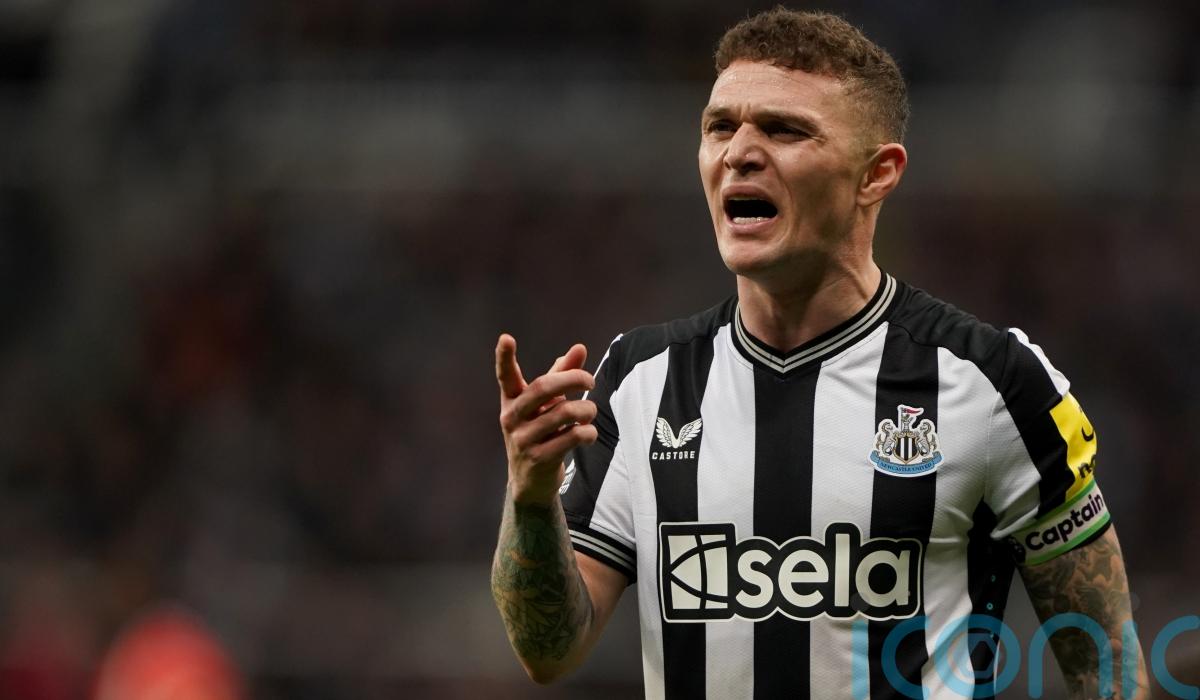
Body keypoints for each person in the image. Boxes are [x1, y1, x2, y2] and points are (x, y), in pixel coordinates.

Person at [491, 8, 1148, 699]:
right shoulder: (638, 380)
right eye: (720, 126)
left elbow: (1107, 666)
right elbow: (548, 650)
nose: (739, 152)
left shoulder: (991, 383)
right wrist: (529, 495)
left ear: (876, 174)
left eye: (784, 130)